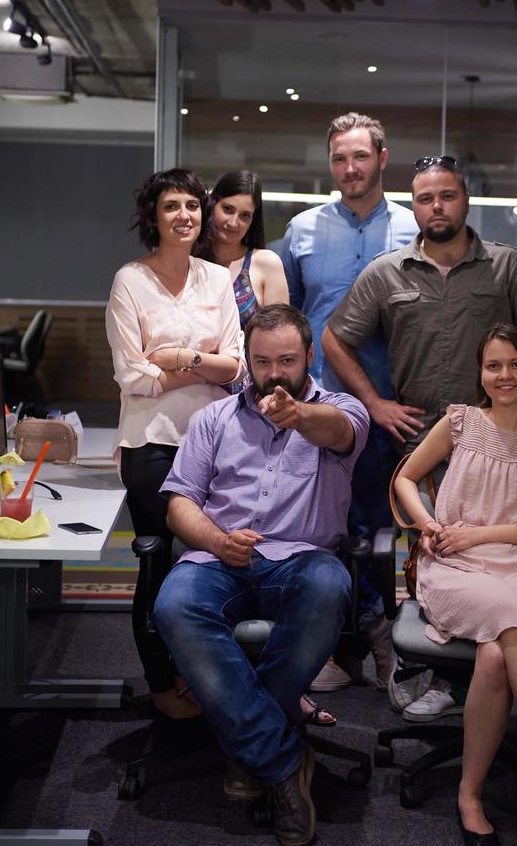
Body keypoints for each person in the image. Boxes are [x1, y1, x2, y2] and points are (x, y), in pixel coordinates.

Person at [152, 304, 370, 846]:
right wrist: (215, 541)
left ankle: (252, 747)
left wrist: (297, 416)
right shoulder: (214, 419)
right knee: (173, 604)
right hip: (219, 558)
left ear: (310, 357)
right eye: (262, 361)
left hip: (300, 561)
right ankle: (280, 759)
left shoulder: (342, 411)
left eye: (288, 360)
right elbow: (179, 502)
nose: (275, 373)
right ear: (247, 362)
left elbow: (337, 431)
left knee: (328, 584)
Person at [394, 323, 517, 846]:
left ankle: (469, 792)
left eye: (515, 365)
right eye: (493, 366)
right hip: (454, 567)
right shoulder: (459, 423)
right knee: (514, 617)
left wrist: (477, 534)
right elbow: (404, 478)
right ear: (481, 374)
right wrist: (430, 524)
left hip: (516, 566)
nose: (504, 376)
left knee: (493, 656)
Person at [281, 111, 418, 691]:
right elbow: (282, 317)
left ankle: (382, 638)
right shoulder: (302, 229)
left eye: (360, 156)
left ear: (382, 159)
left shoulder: (416, 227)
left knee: (379, 529)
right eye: (340, 158)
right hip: (317, 408)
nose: (350, 168)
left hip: (394, 405)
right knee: (322, 528)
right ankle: (337, 646)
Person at [106, 168, 244, 719]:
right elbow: (131, 375)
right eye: (171, 206)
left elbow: (235, 367)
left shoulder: (216, 279)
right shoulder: (129, 281)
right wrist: (201, 367)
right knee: (158, 562)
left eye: (192, 205)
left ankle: (209, 670)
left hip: (214, 443)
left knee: (214, 560)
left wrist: (175, 359)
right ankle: (163, 682)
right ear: (153, 217)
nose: (184, 215)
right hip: (152, 444)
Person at [323, 154, 517, 452]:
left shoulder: (508, 265)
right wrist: (374, 404)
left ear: (466, 200)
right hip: (415, 444)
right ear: (414, 206)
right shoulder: (385, 272)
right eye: (425, 199)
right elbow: (334, 340)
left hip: (497, 440)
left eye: (447, 196)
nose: (436, 206)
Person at [200, 169, 289, 326]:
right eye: (227, 209)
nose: (233, 222)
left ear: (253, 220)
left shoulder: (266, 263)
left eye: (245, 215)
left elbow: (278, 335)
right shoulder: (189, 258)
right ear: (212, 205)